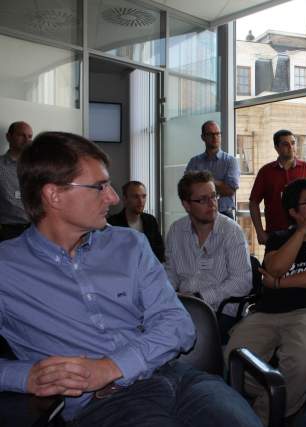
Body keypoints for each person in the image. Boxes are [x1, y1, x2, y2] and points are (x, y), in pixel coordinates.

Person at [0, 132, 261, 427]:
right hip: (106, 404)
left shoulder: (129, 245)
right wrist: (24, 376)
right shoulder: (7, 269)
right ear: (53, 195)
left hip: (179, 378)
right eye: (99, 187)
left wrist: (111, 367)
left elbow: (178, 324)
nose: (113, 197)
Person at [226, 178, 306, 424]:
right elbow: (275, 267)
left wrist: (279, 284)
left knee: (302, 362)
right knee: (233, 357)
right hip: (266, 312)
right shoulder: (279, 238)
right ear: (293, 212)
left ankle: (263, 415)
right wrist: (301, 232)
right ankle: (285, 399)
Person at [165, 171, 252, 341]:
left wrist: (201, 297)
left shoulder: (231, 232)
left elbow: (242, 282)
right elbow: (171, 273)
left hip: (222, 310)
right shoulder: (176, 230)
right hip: (185, 306)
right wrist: (163, 293)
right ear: (186, 205)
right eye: (203, 200)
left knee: (181, 335)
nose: (212, 204)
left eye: (213, 196)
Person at [249, 129, 306, 245]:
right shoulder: (265, 172)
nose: (291, 147)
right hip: (276, 233)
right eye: (285, 144)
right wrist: (260, 232)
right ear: (276, 148)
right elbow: (253, 203)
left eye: (293, 143)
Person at [185, 121, 240, 219]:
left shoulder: (230, 161)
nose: (215, 137)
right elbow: (187, 189)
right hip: (199, 214)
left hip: (224, 214)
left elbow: (230, 190)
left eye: (217, 134)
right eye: (210, 134)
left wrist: (202, 182)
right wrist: (220, 184)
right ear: (203, 137)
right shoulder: (194, 162)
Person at [107, 180, 165, 262]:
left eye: (144, 196)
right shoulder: (112, 224)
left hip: (150, 268)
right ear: (125, 199)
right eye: (135, 197)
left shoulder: (151, 220)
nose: (141, 201)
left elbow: (159, 251)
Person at [0, 121, 33, 241]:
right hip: (8, 232)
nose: (27, 140)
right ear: (8, 137)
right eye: (21, 135)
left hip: (36, 230)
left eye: (30, 136)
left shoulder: (37, 166)